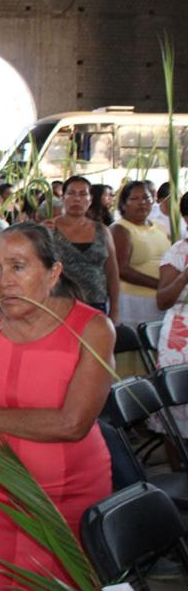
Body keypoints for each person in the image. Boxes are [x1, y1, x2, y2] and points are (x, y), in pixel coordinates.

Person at [0, 223, 114, 588]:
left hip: (66, 493)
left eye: (18, 266)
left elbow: (72, 424)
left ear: (53, 273)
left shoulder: (93, 328)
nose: (4, 282)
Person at [45, 176, 119, 319]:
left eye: (83, 194)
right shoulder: (48, 229)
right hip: (57, 304)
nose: (77, 199)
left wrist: (115, 309)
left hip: (96, 304)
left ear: (90, 200)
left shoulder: (102, 231)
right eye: (71, 193)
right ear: (62, 198)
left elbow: (112, 272)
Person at [152, 192, 188, 438]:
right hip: (181, 338)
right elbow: (162, 300)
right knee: (178, 404)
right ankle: (178, 458)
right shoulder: (178, 251)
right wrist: (185, 274)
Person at [112, 180, 170, 328]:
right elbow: (121, 269)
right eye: (134, 199)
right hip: (134, 301)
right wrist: (160, 285)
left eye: (146, 198)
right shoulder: (120, 229)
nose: (142, 203)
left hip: (161, 299)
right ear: (123, 204)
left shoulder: (160, 227)